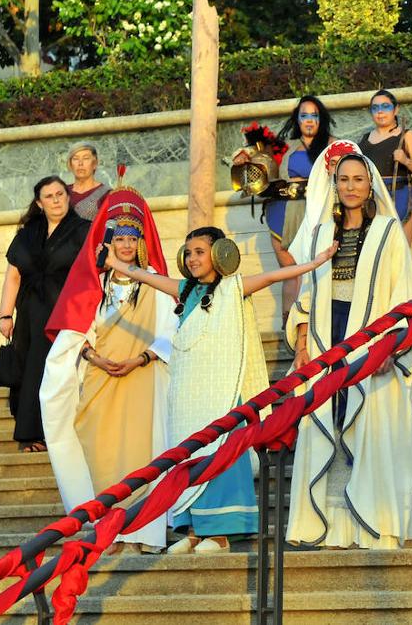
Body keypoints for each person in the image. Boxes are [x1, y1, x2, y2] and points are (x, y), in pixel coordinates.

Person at [101, 226, 336, 554]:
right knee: (189, 455)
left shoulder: (233, 287)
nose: (192, 258)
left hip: (224, 388)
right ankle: (195, 530)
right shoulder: (184, 290)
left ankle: (221, 534)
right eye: (189, 253)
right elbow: (145, 276)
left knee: (222, 453)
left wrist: (315, 262)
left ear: (219, 252)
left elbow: (275, 276)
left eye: (199, 251)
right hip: (188, 392)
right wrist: (115, 263)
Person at [285, 152, 412, 549]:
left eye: (358, 180)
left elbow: (405, 292)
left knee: (369, 427)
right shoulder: (320, 233)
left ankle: (373, 524)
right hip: (325, 337)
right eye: (343, 179)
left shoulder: (387, 231)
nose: (350, 186)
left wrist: (389, 348)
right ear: (335, 185)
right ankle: (326, 526)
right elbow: (307, 293)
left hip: (371, 341)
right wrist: (300, 344)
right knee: (328, 422)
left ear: (369, 186)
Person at [42, 187, 176, 553]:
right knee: (98, 453)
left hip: (141, 378)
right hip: (100, 378)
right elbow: (77, 332)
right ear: (109, 242)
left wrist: (141, 359)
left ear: (141, 241)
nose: (127, 244)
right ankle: (107, 531)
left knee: (141, 456)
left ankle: (143, 532)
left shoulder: (155, 282)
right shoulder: (95, 284)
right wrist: (93, 357)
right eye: (120, 238)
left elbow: (171, 331)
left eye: (133, 237)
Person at [0, 176, 91, 453]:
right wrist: (5, 315)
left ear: (68, 196)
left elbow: (92, 273)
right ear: (39, 203)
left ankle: (62, 433)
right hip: (28, 314)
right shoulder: (27, 233)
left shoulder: (83, 230)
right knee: (29, 370)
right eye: (49, 196)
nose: (56, 200)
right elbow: (13, 276)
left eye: (60, 194)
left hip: (66, 312)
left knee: (59, 372)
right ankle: (31, 435)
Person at [237, 96, 336, 322]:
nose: (309, 120)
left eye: (314, 115)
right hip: (281, 213)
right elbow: (253, 159)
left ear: (321, 119)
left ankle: (318, 325)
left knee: (318, 270)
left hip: (318, 214)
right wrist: (242, 158)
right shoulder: (283, 147)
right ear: (297, 119)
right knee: (289, 272)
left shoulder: (334, 144)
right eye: (304, 115)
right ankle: (290, 327)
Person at [358, 89, 412, 244]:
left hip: (401, 197)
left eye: (386, 106)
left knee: (400, 253)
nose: (380, 112)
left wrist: (406, 161)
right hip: (374, 199)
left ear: (396, 109)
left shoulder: (407, 136)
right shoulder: (364, 139)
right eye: (375, 108)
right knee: (377, 253)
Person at [66, 143, 110, 221]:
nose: (80, 163)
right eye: (75, 159)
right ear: (70, 164)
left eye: (86, 158)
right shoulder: (62, 192)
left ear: (95, 163)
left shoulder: (106, 194)